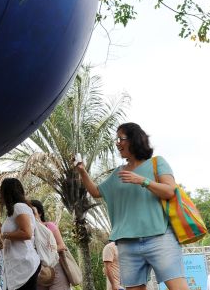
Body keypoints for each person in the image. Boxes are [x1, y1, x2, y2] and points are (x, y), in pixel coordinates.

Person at [74, 122, 190, 290]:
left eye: (121, 138)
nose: (117, 143)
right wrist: (82, 171)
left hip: (160, 237)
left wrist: (142, 181)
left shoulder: (157, 163)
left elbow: (170, 191)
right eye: (116, 139)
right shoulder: (118, 172)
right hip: (127, 243)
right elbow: (96, 192)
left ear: (135, 139)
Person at [0, 177, 41, 290]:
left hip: (25, 264)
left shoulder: (18, 207)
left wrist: (4, 235)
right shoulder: (16, 209)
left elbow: (27, 233)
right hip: (19, 265)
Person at [31, 199, 70, 290]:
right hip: (38, 271)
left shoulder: (49, 226)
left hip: (55, 267)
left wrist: (45, 251)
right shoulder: (28, 231)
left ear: (40, 213)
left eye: (32, 211)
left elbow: (62, 246)